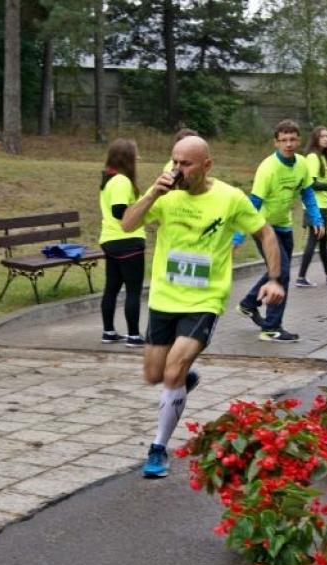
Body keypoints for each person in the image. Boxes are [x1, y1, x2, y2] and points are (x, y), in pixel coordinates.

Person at [121, 135, 285, 479]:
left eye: (187, 164)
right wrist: (152, 193)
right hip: (165, 297)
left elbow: (266, 234)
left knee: (171, 372)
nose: (178, 169)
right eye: (174, 161)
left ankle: (157, 449)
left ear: (206, 165)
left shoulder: (229, 198)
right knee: (154, 375)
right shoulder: (164, 194)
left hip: (204, 299)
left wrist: (274, 279)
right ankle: (182, 381)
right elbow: (128, 224)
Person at [234, 119, 323, 343]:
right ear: (276, 143)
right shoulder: (268, 168)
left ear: (299, 140)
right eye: (284, 140)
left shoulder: (302, 164)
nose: (289, 144)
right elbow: (252, 203)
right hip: (263, 228)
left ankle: (248, 304)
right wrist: (238, 235)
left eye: (293, 139)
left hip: (284, 224)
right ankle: (271, 328)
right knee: (281, 272)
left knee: (278, 270)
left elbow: (308, 193)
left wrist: (315, 217)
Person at [98, 138, 145, 347]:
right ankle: (134, 335)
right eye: (136, 154)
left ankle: (109, 332)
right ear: (128, 158)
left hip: (110, 241)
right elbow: (119, 211)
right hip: (128, 242)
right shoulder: (122, 181)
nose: (139, 157)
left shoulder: (109, 179)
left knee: (111, 289)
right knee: (133, 291)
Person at [295, 126, 327, 287]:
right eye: (322, 136)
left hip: (323, 206)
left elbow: (322, 182)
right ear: (315, 138)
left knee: (323, 240)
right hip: (315, 207)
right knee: (314, 239)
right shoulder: (312, 157)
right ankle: (301, 277)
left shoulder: (322, 157)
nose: (326, 139)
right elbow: (311, 184)